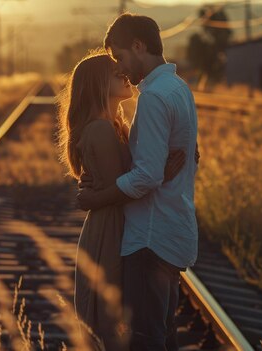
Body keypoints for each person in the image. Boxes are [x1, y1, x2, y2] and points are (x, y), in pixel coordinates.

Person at [76, 14, 200, 351]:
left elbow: (147, 175)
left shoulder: (154, 97)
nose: (119, 67)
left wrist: (95, 198)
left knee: (145, 340)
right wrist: (161, 170)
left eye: (119, 56)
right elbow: (191, 156)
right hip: (172, 228)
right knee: (162, 333)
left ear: (138, 46)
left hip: (149, 237)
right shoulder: (179, 89)